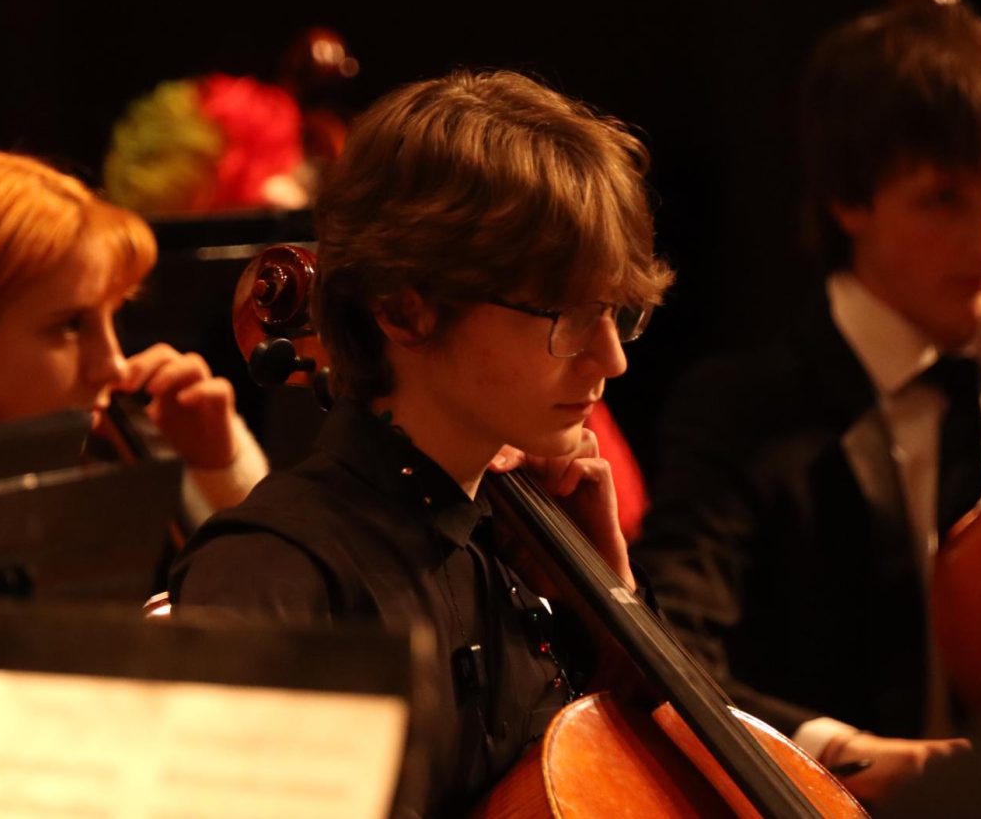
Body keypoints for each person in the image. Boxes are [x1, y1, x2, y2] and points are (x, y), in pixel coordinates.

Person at [170, 69, 672, 815]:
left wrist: (614, 608)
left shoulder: (515, 551)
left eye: (616, 313)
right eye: (564, 316)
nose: (613, 358)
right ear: (405, 313)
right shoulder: (273, 576)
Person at [632, 0, 981, 804]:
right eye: (944, 199)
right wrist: (850, 754)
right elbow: (672, 650)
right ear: (850, 201)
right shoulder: (743, 410)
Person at [0, 148, 267, 525]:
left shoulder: (111, 466)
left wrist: (219, 469)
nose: (114, 366)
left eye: (112, 315)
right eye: (70, 326)